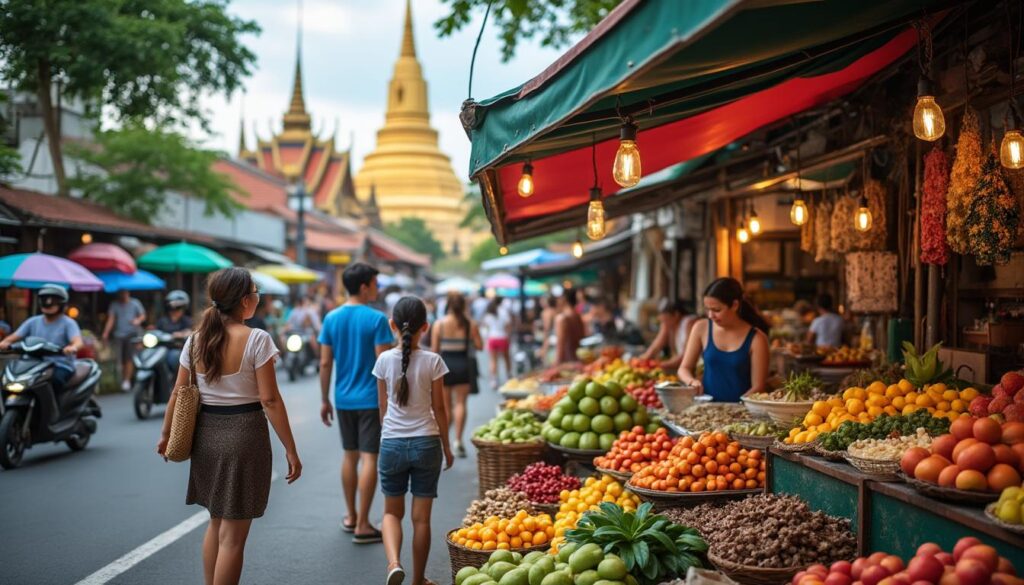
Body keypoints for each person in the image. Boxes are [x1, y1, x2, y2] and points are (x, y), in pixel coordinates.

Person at [156, 268, 301, 585]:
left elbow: (178, 393)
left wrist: (166, 434)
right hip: (244, 436)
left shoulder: (195, 340)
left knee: (217, 524)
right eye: (255, 291)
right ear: (245, 301)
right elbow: (271, 401)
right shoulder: (257, 339)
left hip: (205, 437)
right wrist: (291, 449)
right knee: (233, 538)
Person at [373, 297, 454, 585]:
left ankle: (394, 563)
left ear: (392, 325)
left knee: (391, 513)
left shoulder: (383, 361)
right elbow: (440, 409)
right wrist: (447, 446)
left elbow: (382, 410)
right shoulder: (434, 361)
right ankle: (418, 579)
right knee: (421, 519)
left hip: (392, 443)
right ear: (425, 327)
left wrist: (390, 435)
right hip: (427, 443)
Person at [318, 262, 394, 544]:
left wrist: (324, 399)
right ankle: (364, 524)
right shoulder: (376, 320)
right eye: (375, 283)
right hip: (370, 399)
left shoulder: (331, 318)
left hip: (342, 399)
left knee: (350, 455)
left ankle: (350, 516)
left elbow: (325, 362)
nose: (378, 288)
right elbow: (384, 364)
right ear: (364, 286)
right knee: (370, 458)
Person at [677, 278, 770, 402]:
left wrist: (737, 408)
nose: (710, 315)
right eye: (707, 309)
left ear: (735, 305)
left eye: (716, 310)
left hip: (742, 414)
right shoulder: (701, 328)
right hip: (705, 411)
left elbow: (758, 387)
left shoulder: (757, 339)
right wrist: (692, 381)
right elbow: (684, 368)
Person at [0, 284, 83, 393]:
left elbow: (78, 342)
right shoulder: (33, 321)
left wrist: (72, 348)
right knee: (7, 380)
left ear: (61, 303)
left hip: (59, 365)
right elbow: (12, 338)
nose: (48, 302)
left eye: (52, 300)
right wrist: (4, 343)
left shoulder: (68, 323)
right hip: (33, 364)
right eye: (45, 299)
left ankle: (56, 409)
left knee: (55, 381)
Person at [430, 292, 483, 458]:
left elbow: (434, 350)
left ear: (448, 305)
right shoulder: (470, 324)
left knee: (445, 407)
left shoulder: (439, 324)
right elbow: (480, 346)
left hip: (444, 366)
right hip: (463, 365)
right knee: (461, 404)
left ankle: (442, 440)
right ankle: (458, 441)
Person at [103, 289, 146, 391]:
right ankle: (122, 379)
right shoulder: (115, 304)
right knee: (120, 359)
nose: (123, 295)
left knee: (129, 358)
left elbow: (143, 315)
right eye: (121, 293)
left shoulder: (135, 303)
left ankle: (127, 380)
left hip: (132, 334)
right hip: (119, 334)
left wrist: (137, 320)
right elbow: (111, 319)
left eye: (124, 292)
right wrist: (106, 332)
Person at [640, 299, 697, 370]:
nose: (663, 323)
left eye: (664, 320)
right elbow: (657, 344)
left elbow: (686, 355)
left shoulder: (689, 323)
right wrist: (643, 359)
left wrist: (657, 365)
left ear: (676, 314)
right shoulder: (669, 323)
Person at [155, 290, 193, 371]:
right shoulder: (162, 321)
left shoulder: (187, 321)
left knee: (174, 357)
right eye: (172, 307)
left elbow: (190, 332)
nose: (174, 310)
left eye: (178, 308)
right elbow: (156, 333)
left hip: (177, 349)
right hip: (161, 349)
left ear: (184, 308)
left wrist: (182, 334)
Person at [481, 297, 512, 388]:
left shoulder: (488, 313)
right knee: (506, 358)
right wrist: (509, 336)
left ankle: (494, 380)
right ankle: (508, 376)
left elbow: (485, 327)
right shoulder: (503, 311)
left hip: (492, 338)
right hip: (502, 337)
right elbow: (508, 325)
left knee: (493, 360)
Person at [554, 288, 585, 365]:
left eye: (558, 298)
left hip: (567, 363)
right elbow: (581, 336)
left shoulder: (561, 318)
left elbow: (560, 344)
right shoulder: (577, 316)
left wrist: (557, 363)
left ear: (563, 299)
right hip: (578, 359)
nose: (557, 301)